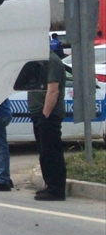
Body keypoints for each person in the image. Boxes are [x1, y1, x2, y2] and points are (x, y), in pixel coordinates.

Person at [30, 50, 67, 201]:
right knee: (44, 153)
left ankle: (56, 189)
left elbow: (53, 90)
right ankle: (49, 185)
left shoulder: (52, 61)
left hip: (48, 115)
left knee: (52, 152)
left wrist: (45, 115)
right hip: (40, 114)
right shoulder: (39, 60)